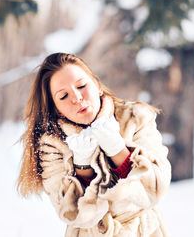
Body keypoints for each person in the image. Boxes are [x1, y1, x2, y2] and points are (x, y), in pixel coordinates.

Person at [17, 53, 171, 236]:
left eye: (82, 86)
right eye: (64, 96)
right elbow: (72, 213)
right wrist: (83, 166)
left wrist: (117, 149)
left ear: (97, 86)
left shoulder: (135, 118)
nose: (77, 97)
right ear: (56, 109)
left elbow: (155, 188)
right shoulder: (51, 146)